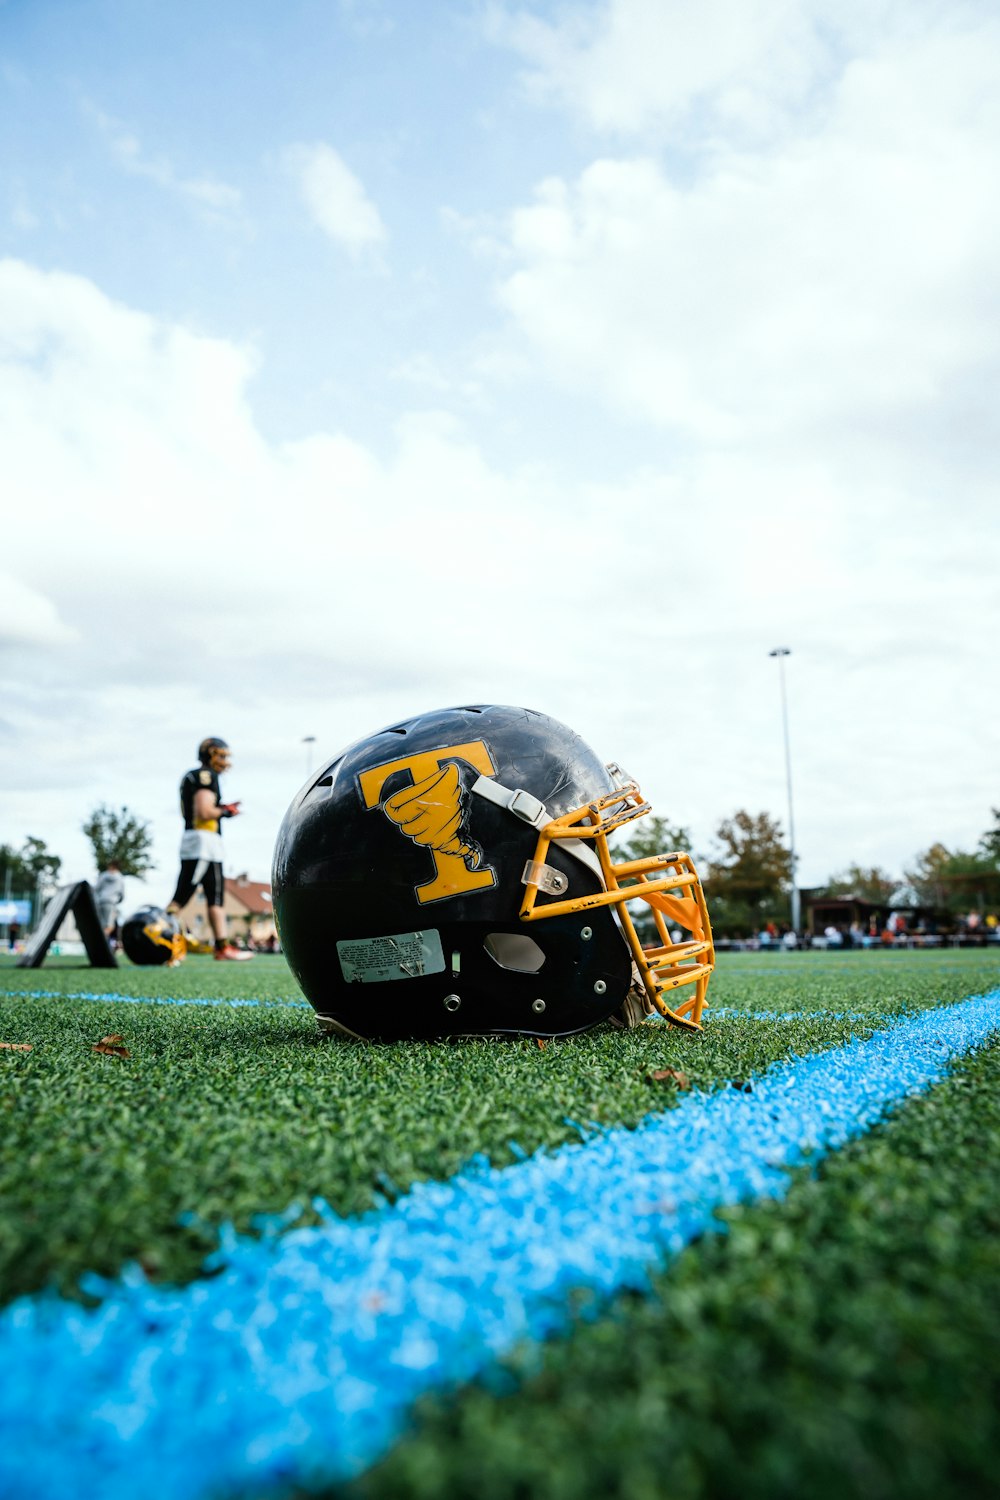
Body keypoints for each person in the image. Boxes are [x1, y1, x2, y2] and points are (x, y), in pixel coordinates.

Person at [165, 736, 251, 961]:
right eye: (220, 755)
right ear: (210, 753)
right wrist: (226, 812)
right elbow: (204, 811)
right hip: (202, 842)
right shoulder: (205, 776)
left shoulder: (200, 776)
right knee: (182, 897)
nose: (223, 761)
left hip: (208, 842)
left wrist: (223, 808)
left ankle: (222, 947)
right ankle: (160, 936)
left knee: (216, 896)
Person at [94, 859, 125, 946]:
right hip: (111, 903)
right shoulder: (119, 877)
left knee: (103, 925)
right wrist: (117, 901)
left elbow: (96, 888)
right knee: (110, 927)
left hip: (100, 902)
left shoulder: (103, 875)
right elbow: (122, 894)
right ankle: (99, 944)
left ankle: (102, 944)